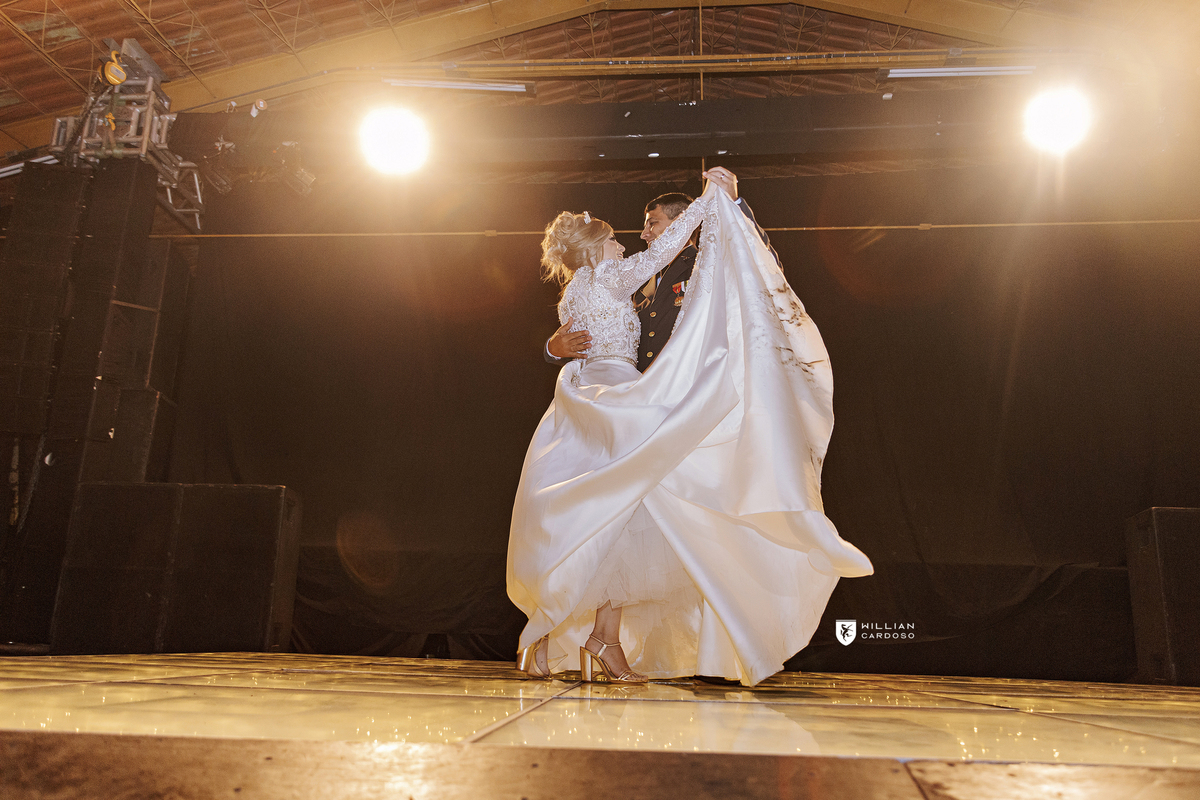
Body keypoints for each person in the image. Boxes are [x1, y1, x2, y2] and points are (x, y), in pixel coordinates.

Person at [508, 172, 872, 686]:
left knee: (601, 517)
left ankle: (563, 643)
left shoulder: (575, 291)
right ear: (594, 249)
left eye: (647, 224)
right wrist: (709, 200)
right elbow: (659, 257)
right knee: (620, 513)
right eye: (616, 237)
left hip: (593, 404)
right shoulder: (615, 276)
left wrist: (725, 205)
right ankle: (598, 643)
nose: (630, 238)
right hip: (628, 402)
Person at [544, 170, 776, 370]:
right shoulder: (626, 274)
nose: (643, 234)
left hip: (690, 385)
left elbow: (760, 265)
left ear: (680, 224)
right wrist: (552, 349)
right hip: (634, 391)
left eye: (652, 223)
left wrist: (735, 203)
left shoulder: (707, 264)